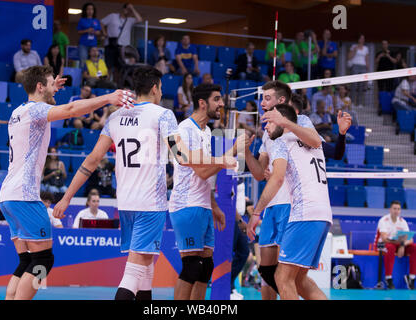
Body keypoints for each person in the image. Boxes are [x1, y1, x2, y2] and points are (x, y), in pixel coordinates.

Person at [53, 65, 236, 301]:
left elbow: (92, 160)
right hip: (150, 202)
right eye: (160, 88)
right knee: (133, 272)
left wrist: (67, 196)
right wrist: (221, 159)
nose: (161, 93)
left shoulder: (116, 116)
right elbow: (182, 157)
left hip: (126, 201)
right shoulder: (162, 115)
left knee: (146, 269)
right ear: (154, 88)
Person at [0, 65, 134, 300]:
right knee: (43, 260)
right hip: (24, 196)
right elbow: (71, 109)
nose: (55, 88)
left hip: (8, 196)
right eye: (51, 84)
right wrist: (108, 98)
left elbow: (48, 104)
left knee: (27, 261)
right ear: (39, 87)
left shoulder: (18, 111)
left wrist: (50, 90)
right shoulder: (36, 110)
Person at [247, 104, 332, 300]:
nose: (265, 129)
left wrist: (256, 212)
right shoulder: (309, 139)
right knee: (299, 280)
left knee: (282, 277)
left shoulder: (281, 140)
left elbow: (276, 179)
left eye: (268, 122)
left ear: (280, 119)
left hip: (304, 212)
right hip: (322, 213)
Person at [168, 83, 239, 300]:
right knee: (191, 267)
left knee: (205, 268)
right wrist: (229, 155)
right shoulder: (182, 130)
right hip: (186, 205)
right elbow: (201, 172)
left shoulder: (207, 131)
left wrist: (215, 206)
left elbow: (205, 175)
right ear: (202, 103)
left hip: (204, 205)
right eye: (217, 99)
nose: (221, 104)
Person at [377, 200, 416, 290]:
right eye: (394, 208)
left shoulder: (403, 222)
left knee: (414, 247)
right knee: (390, 247)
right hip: (382, 245)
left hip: (398, 244)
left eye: (398, 209)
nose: (396, 211)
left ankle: (412, 278)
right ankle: (388, 278)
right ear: (390, 209)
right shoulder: (383, 220)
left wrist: (402, 245)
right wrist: (400, 244)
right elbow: (384, 239)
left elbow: (410, 239)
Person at [101, 3, 143, 81]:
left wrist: (133, 9)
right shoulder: (113, 16)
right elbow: (102, 23)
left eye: (129, 10)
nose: (127, 11)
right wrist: (104, 32)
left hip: (122, 47)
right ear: (122, 9)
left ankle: (117, 84)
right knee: (109, 66)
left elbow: (140, 19)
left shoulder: (130, 20)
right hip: (111, 44)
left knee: (119, 67)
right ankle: (107, 84)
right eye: (126, 9)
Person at [77, 2, 101, 69]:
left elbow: (99, 32)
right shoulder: (82, 20)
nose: (90, 11)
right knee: (83, 61)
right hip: (83, 44)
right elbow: (78, 31)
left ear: (93, 11)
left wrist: (95, 32)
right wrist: (87, 30)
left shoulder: (96, 20)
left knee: (93, 61)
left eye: (91, 9)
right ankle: (81, 78)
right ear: (85, 10)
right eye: (88, 9)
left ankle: (91, 77)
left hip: (93, 44)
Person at [347, 34, 369, 108]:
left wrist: (367, 70)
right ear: (358, 39)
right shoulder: (353, 46)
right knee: (354, 85)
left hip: (363, 67)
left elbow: (366, 59)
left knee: (361, 86)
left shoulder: (366, 48)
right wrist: (354, 51)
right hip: (355, 66)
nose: (362, 40)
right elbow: (349, 57)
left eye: (363, 39)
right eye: (361, 38)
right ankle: (352, 102)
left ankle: (359, 103)